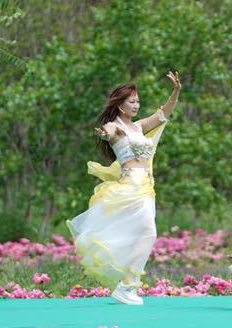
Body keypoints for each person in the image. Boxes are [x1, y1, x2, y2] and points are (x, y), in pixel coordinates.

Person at [68, 72, 181, 306]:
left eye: (138, 101)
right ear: (120, 105)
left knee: (142, 234)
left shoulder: (139, 127)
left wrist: (176, 92)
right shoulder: (115, 126)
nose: (136, 105)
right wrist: (106, 134)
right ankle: (127, 285)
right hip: (130, 186)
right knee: (149, 232)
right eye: (132, 101)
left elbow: (163, 114)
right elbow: (109, 131)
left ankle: (127, 285)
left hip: (146, 188)